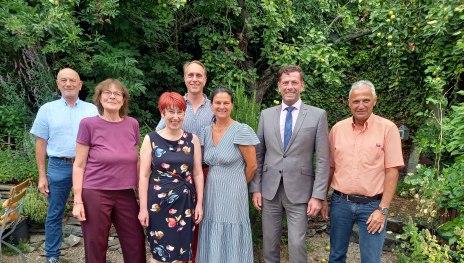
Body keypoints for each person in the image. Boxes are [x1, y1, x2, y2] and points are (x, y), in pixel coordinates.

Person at [250, 65, 330, 263]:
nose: (290, 86)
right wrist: (256, 188)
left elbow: (322, 159)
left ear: (302, 85)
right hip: (269, 190)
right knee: (269, 244)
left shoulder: (317, 115)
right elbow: (258, 155)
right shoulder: (266, 115)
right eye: (285, 82)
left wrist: (318, 195)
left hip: (301, 192)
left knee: (297, 244)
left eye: (294, 82)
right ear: (279, 86)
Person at [321, 80, 404, 263]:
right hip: (340, 203)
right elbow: (330, 167)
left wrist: (383, 210)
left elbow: (392, 171)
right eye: (356, 101)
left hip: (372, 206)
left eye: (366, 100)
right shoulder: (337, 129)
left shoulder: (388, 129)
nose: (360, 106)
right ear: (349, 102)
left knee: (371, 259)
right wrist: (323, 198)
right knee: (335, 256)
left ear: (375, 100)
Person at [72, 79, 146, 263]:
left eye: (117, 93)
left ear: (123, 100)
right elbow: (79, 165)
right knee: (96, 244)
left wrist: (140, 193)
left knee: (135, 243)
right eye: (107, 92)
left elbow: (135, 161)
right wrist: (78, 201)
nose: (112, 96)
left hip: (126, 194)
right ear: (99, 97)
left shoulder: (132, 124)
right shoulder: (88, 124)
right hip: (95, 193)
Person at [30, 68, 98, 263]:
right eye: (64, 80)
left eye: (72, 80)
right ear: (58, 83)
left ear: (80, 84)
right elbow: (40, 144)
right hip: (58, 166)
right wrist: (42, 175)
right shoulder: (47, 109)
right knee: (55, 213)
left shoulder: (91, 110)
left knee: (92, 213)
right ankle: (52, 256)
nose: (68, 84)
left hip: (87, 167)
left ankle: (93, 257)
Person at [156, 60, 213, 262]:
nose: (195, 79)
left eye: (199, 75)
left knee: (203, 219)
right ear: (185, 78)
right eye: (191, 75)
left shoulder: (214, 106)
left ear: (205, 79)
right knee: (182, 223)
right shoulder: (176, 105)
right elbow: (158, 137)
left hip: (207, 171)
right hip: (177, 176)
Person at [138, 92, 204, 263]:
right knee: (159, 253)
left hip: (185, 205)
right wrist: (143, 208)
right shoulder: (151, 139)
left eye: (179, 112)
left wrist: (199, 204)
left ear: (184, 113)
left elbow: (197, 173)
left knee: (183, 253)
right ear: (162, 113)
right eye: (170, 112)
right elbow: (144, 175)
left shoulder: (193, 140)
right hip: (158, 206)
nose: (175, 117)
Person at [196, 87, 259, 262]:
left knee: (232, 229)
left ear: (232, 105)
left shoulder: (242, 130)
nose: (222, 106)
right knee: (211, 226)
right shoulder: (205, 131)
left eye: (226, 102)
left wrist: (237, 183)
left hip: (234, 191)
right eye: (218, 102)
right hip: (212, 190)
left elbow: (252, 166)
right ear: (211, 105)